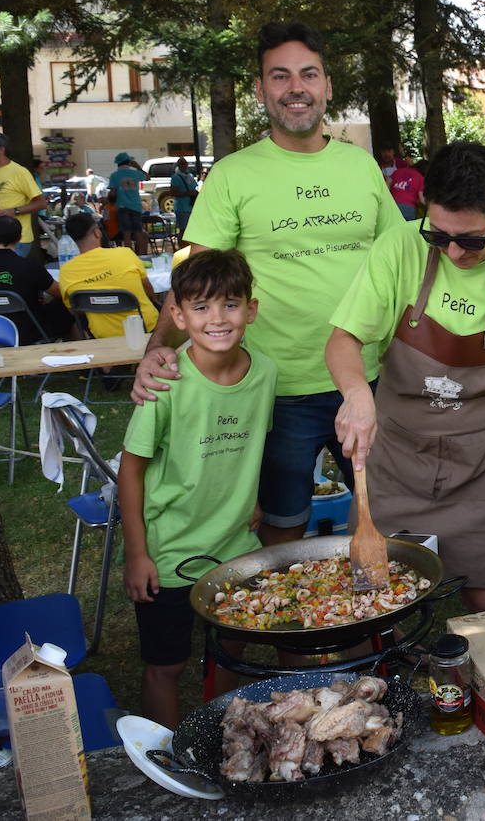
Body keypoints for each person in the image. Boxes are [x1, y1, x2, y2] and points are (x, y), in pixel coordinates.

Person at [131, 21, 402, 548]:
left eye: (308, 74)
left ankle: (369, 626)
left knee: (380, 513)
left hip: (365, 383)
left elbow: (400, 262)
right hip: (275, 390)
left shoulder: (361, 166)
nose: (295, 88)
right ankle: (287, 626)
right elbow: (195, 281)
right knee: (283, 522)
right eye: (280, 77)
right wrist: (157, 349)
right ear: (261, 90)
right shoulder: (233, 174)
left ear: (326, 85)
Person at [326, 142, 485, 614]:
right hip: (399, 459)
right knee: (375, 599)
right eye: (439, 237)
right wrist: (357, 394)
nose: (455, 252)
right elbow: (343, 339)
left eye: (471, 240)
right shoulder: (397, 248)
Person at [118, 249, 274, 728]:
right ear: (179, 316)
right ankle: (166, 758)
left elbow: (254, 446)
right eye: (201, 308)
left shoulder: (265, 371)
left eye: (230, 304)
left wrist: (256, 499)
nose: (217, 319)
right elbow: (131, 469)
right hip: (168, 551)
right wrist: (137, 554)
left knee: (231, 647)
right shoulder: (164, 382)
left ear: (251, 310)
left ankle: (219, 732)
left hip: (234, 545)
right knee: (166, 664)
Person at [0, 215, 78, 343]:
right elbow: (60, 292)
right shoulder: (30, 266)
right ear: (20, 237)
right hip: (32, 331)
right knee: (65, 304)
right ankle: (76, 353)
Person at [58, 212, 159, 337]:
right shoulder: (125, 254)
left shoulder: (66, 270)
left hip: (102, 335)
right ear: (97, 232)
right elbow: (147, 288)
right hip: (144, 328)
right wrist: (155, 300)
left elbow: (74, 310)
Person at [0, 132, 46, 259]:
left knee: (10, 276)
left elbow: (41, 203)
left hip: (18, 239)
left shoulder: (19, 172)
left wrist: (14, 211)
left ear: (1, 149)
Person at [108, 152, 149, 255]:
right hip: (136, 206)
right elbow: (147, 177)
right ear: (129, 162)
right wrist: (138, 167)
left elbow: (112, 193)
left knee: (127, 234)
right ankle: (140, 256)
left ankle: (129, 256)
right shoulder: (135, 173)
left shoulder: (114, 176)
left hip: (122, 206)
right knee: (138, 232)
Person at [388, 151, 425, 221]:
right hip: (408, 208)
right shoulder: (421, 178)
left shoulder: (397, 171)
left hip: (392, 205)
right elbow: (422, 199)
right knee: (406, 230)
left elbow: (386, 187)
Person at [168, 157, 200, 237]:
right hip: (181, 208)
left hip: (191, 207)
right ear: (178, 165)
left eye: (185, 163)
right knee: (183, 231)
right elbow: (172, 193)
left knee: (192, 230)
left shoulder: (190, 176)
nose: (184, 165)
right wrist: (188, 193)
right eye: (182, 164)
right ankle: (182, 246)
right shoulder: (176, 177)